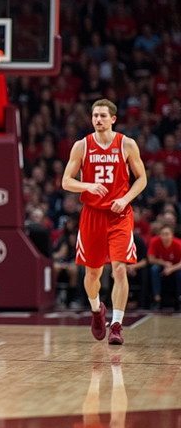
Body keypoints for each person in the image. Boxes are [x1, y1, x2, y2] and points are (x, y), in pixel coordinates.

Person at [61, 99, 147, 345]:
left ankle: (117, 325)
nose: (97, 119)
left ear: (113, 119)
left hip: (119, 215)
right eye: (94, 116)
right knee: (92, 274)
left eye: (102, 116)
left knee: (120, 269)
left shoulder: (126, 144)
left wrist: (126, 197)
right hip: (92, 215)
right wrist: (87, 184)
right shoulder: (82, 146)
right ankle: (97, 310)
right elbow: (66, 181)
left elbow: (142, 179)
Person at [147, 224, 181, 310]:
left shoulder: (178, 244)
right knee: (154, 269)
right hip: (162, 265)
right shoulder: (155, 241)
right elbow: (151, 259)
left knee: (180, 273)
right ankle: (157, 298)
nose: (165, 237)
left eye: (167, 234)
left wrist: (171, 268)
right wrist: (164, 263)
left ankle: (179, 298)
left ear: (172, 235)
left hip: (175, 267)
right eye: (162, 234)